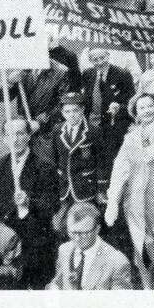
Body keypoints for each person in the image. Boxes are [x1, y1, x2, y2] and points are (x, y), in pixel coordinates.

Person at [106, 92, 154, 287]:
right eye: (142, 107)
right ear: (136, 112)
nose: (146, 110)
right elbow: (120, 170)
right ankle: (147, 287)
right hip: (134, 201)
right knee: (141, 245)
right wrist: (113, 202)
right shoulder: (130, 139)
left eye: (150, 106)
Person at [0, 118, 60, 289]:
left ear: (29, 136)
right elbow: (1, 203)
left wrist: (29, 202)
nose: (15, 140)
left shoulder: (44, 166)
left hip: (37, 244)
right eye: (9, 135)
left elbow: (52, 206)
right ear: (4, 139)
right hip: (11, 244)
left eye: (20, 134)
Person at [53, 91, 106, 230]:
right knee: (60, 226)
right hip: (64, 186)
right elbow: (55, 157)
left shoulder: (93, 131)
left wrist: (101, 189)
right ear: (62, 113)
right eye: (67, 111)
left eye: (75, 110)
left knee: (84, 223)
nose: (71, 115)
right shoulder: (57, 130)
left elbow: (101, 161)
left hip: (85, 186)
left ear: (82, 110)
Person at [52, 201, 133, 290]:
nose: (77, 238)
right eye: (73, 232)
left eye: (84, 233)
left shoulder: (117, 263)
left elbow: (121, 302)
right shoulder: (64, 250)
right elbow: (58, 283)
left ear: (97, 229)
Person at [81, 46, 135, 179]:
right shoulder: (88, 74)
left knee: (111, 160)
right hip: (92, 124)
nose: (99, 62)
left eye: (102, 58)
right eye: (94, 60)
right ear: (90, 61)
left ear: (108, 55)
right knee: (93, 158)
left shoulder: (122, 74)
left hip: (113, 125)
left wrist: (119, 106)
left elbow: (132, 103)